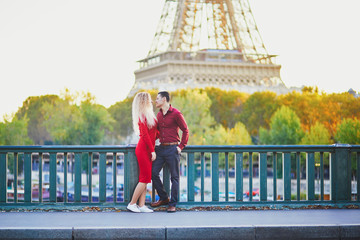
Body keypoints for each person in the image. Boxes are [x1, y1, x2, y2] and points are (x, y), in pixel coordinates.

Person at [151, 91, 189, 213]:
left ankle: (172, 204)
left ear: (164, 100)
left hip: (173, 149)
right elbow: (157, 133)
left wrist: (181, 146)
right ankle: (164, 198)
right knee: (153, 173)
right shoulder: (159, 115)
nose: (155, 101)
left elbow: (186, 130)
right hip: (161, 149)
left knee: (175, 178)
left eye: (157, 99)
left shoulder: (176, 114)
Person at [127, 92, 158, 213]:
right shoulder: (142, 116)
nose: (151, 102)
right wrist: (152, 151)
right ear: (144, 101)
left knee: (146, 178)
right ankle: (132, 203)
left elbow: (152, 134)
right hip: (144, 149)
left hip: (147, 148)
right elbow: (145, 136)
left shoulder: (149, 115)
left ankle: (142, 205)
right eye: (149, 100)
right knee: (144, 178)